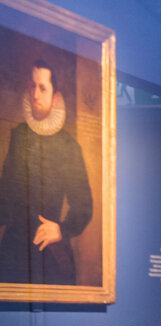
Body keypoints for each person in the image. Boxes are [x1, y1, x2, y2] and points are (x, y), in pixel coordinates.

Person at [0, 59, 93, 285]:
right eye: (33, 86)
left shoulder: (68, 146)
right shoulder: (19, 135)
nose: (35, 94)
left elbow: (84, 206)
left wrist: (61, 230)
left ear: (56, 97)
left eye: (42, 88)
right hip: (13, 252)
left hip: (50, 252)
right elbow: (5, 196)